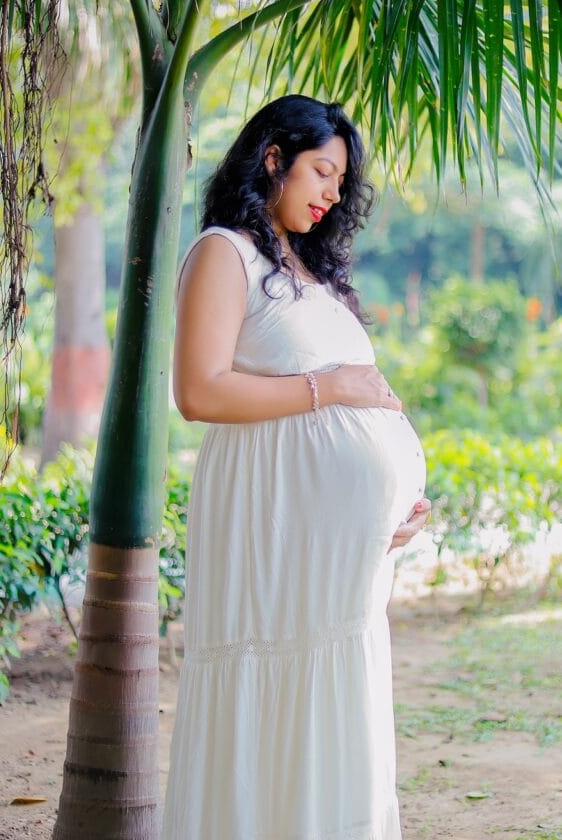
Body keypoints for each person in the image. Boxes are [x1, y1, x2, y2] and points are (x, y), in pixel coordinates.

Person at [163, 95, 431, 840]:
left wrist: (395, 504)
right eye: (322, 171)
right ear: (273, 158)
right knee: (271, 697)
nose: (333, 194)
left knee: (334, 706)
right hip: (269, 540)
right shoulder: (225, 252)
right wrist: (332, 389)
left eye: (341, 181)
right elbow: (198, 390)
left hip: (338, 566)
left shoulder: (309, 271)